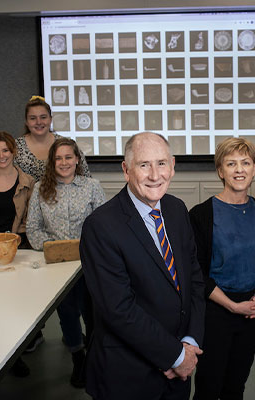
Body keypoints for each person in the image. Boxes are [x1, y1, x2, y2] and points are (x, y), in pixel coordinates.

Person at [79, 132, 205, 400]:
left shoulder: (177, 209)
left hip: (179, 371)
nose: (154, 175)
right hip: (129, 375)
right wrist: (176, 356)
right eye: (144, 165)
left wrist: (191, 341)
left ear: (172, 166)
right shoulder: (100, 226)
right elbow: (118, 309)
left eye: (161, 163)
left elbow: (193, 278)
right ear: (126, 170)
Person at [189, 137, 255, 400]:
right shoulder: (202, 214)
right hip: (217, 312)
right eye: (231, 163)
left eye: (245, 162)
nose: (239, 169)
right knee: (208, 385)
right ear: (220, 171)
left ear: (254, 169)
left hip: (253, 311)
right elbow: (198, 276)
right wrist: (233, 306)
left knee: (236, 385)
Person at [26, 137, 105, 388]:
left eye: (68, 157)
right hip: (58, 266)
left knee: (92, 312)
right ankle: (78, 357)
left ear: (77, 159)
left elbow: (104, 225)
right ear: (52, 162)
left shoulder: (92, 186)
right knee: (68, 313)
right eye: (58, 158)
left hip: (88, 265)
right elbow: (33, 228)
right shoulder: (40, 189)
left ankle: (95, 356)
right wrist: (55, 248)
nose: (63, 162)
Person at [15, 95, 90, 182]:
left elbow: (86, 177)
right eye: (33, 118)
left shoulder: (66, 145)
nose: (38, 122)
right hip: (26, 195)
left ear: (50, 119)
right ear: (26, 122)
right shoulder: (15, 147)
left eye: (43, 117)